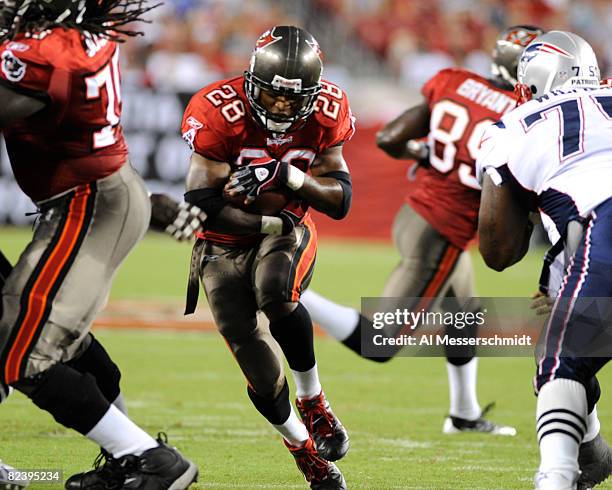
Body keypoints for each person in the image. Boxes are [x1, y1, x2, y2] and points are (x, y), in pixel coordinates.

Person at [301, 25, 542, 435]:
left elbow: (392, 137)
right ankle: (291, 296)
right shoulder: (521, 115)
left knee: (463, 316)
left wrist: (424, 152)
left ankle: (463, 414)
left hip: (415, 214)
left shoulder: (455, 81)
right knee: (378, 342)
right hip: (443, 229)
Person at [0, 1, 198, 488]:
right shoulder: (78, 36)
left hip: (85, 206)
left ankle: (146, 458)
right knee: (36, 331)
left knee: (25, 354)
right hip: (97, 195)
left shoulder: (44, 52)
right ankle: (127, 457)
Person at [182, 25, 353, 490]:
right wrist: (266, 224)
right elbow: (201, 198)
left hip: (288, 227)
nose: (281, 107)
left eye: (292, 99)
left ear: (312, 95)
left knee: (276, 291)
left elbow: (340, 199)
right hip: (222, 239)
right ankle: (302, 450)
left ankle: (313, 400)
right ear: (252, 81)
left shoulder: (327, 110)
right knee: (246, 345)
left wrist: (287, 176)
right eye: (273, 96)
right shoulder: (218, 110)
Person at [477, 30, 612, 490]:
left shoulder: (513, 125)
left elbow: (498, 251)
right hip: (590, 231)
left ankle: (556, 476)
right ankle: (593, 454)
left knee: (559, 359)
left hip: (604, 218)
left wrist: (526, 196)